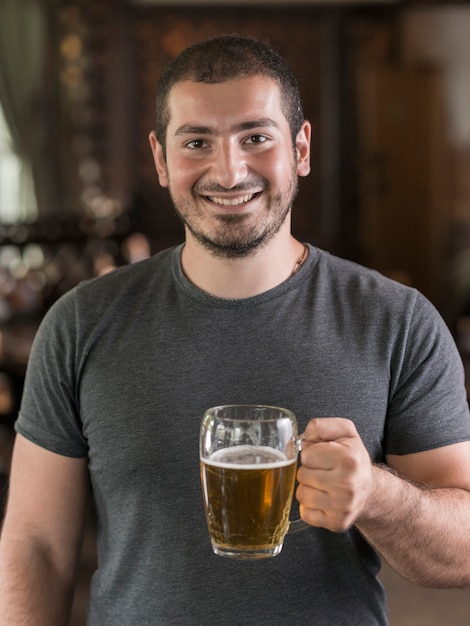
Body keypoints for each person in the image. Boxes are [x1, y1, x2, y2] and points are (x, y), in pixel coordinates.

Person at [0, 34, 470, 626]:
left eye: (256, 137)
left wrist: (379, 496)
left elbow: (463, 555)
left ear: (300, 148)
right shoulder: (79, 323)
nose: (229, 171)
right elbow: (36, 544)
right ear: (161, 158)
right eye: (197, 141)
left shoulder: (397, 321)